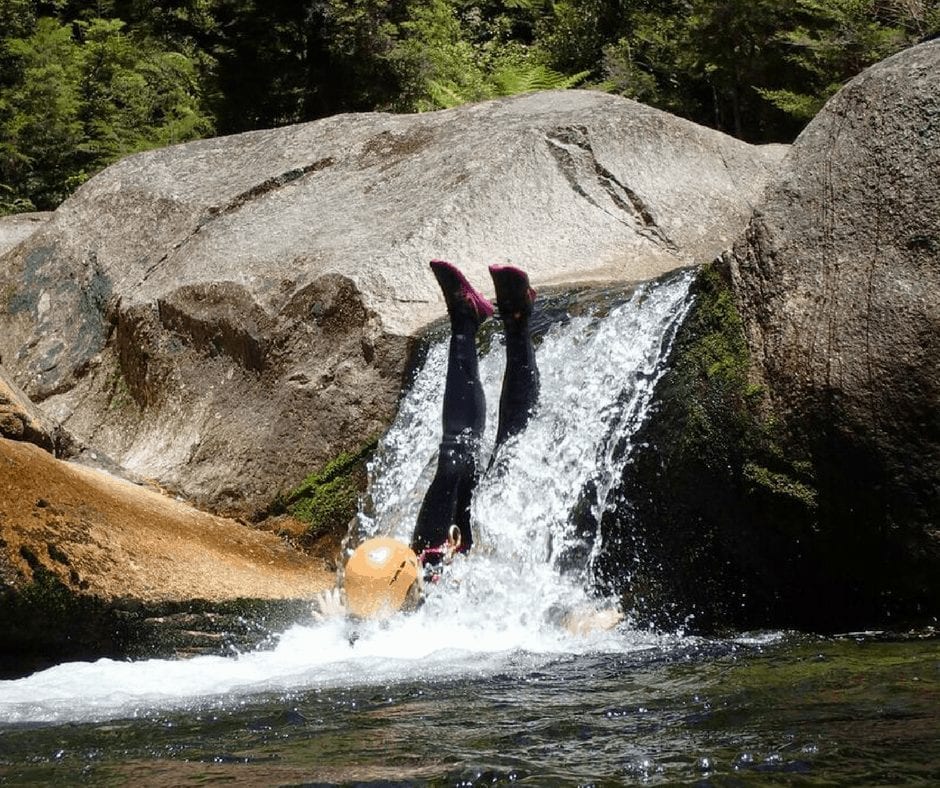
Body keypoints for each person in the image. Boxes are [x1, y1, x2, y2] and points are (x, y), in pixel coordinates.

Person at [312, 260, 620, 633]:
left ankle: (464, 318)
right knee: (510, 451)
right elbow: (534, 615)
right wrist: (583, 623)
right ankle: (518, 320)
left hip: (438, 552)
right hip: (486, 557)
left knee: (454, 458)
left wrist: (339, 622)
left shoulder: (389, 613)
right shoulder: (455, 624)